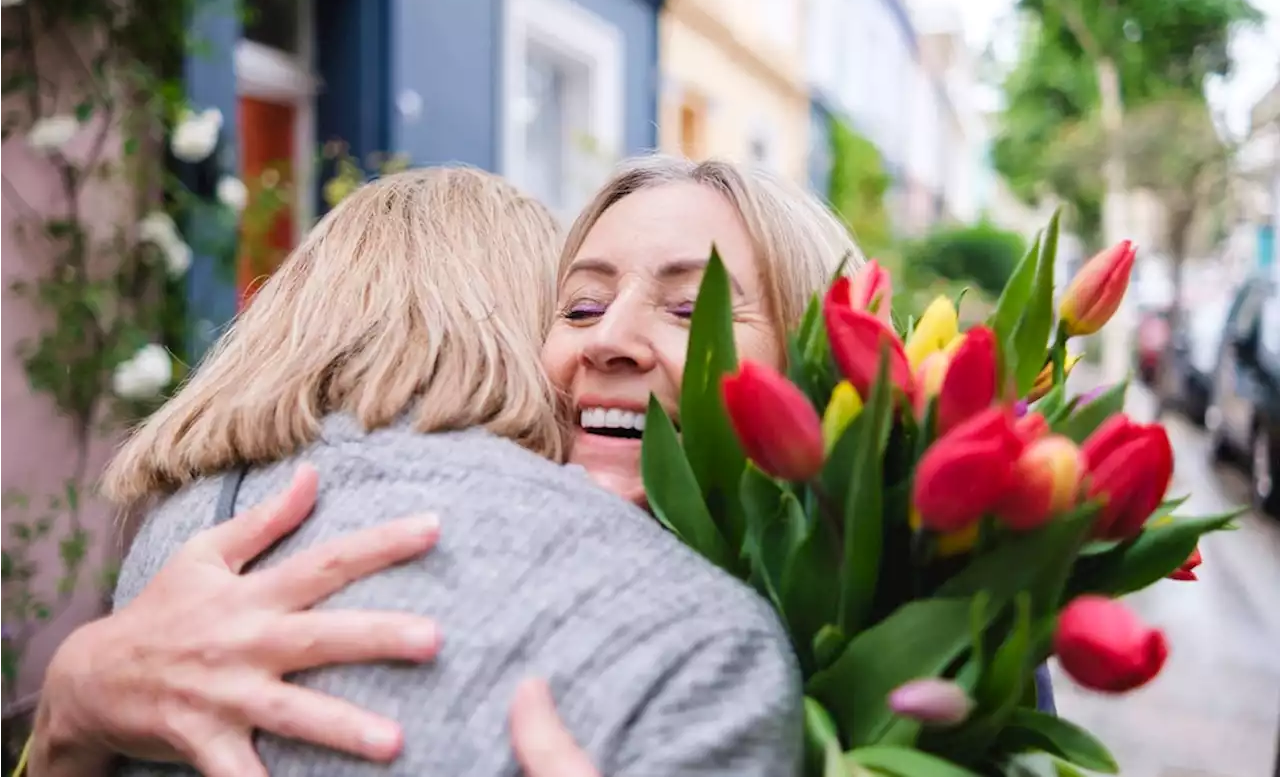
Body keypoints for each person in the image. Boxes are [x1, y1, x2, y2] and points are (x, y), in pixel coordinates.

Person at [30, 157, 1054, 773]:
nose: (607, 337)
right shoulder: (461, 572)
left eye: (693, 313)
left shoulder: (932, 619)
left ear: (829, 358)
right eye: (576, 304)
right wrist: (74, 704)